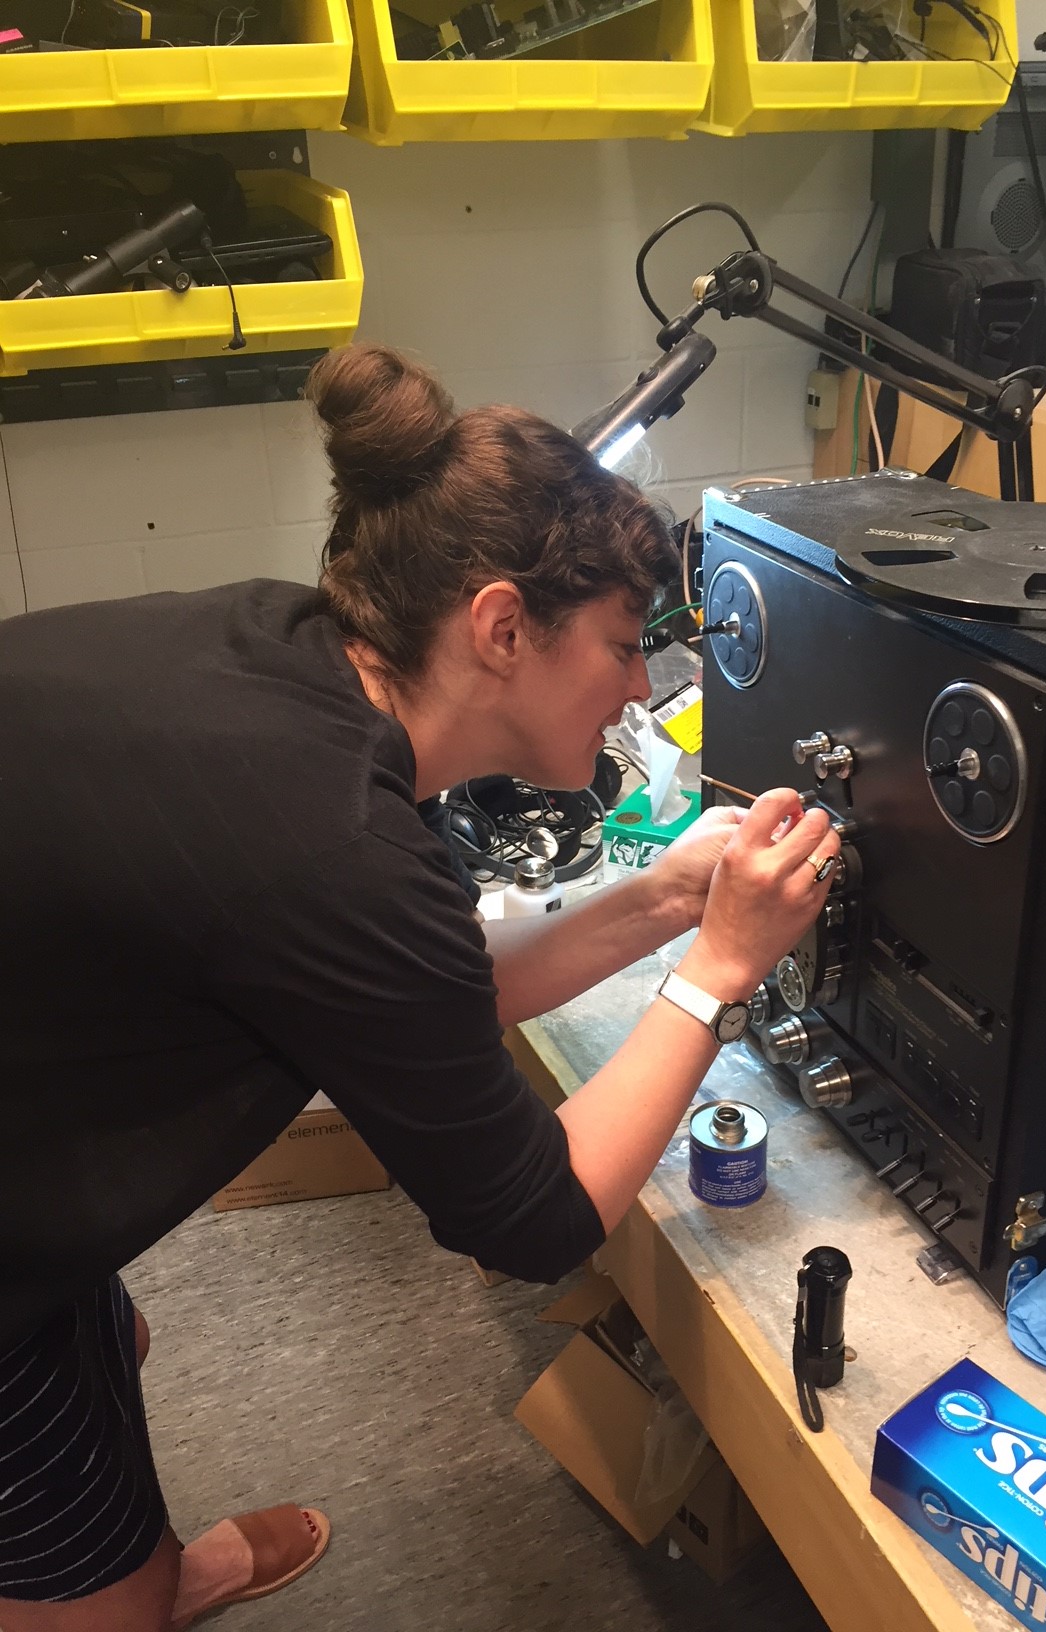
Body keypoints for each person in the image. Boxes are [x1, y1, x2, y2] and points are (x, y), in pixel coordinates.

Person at [0, 342, 838, 1632]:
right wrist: (719, 970)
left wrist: (668, 898)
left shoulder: (293, 660)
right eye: (623, 648)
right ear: (503, 626)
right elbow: (535, 1219)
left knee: (115, 1342)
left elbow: (419, 1000)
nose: (638, 687)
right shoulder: (336, 847)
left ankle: (148, 1571)